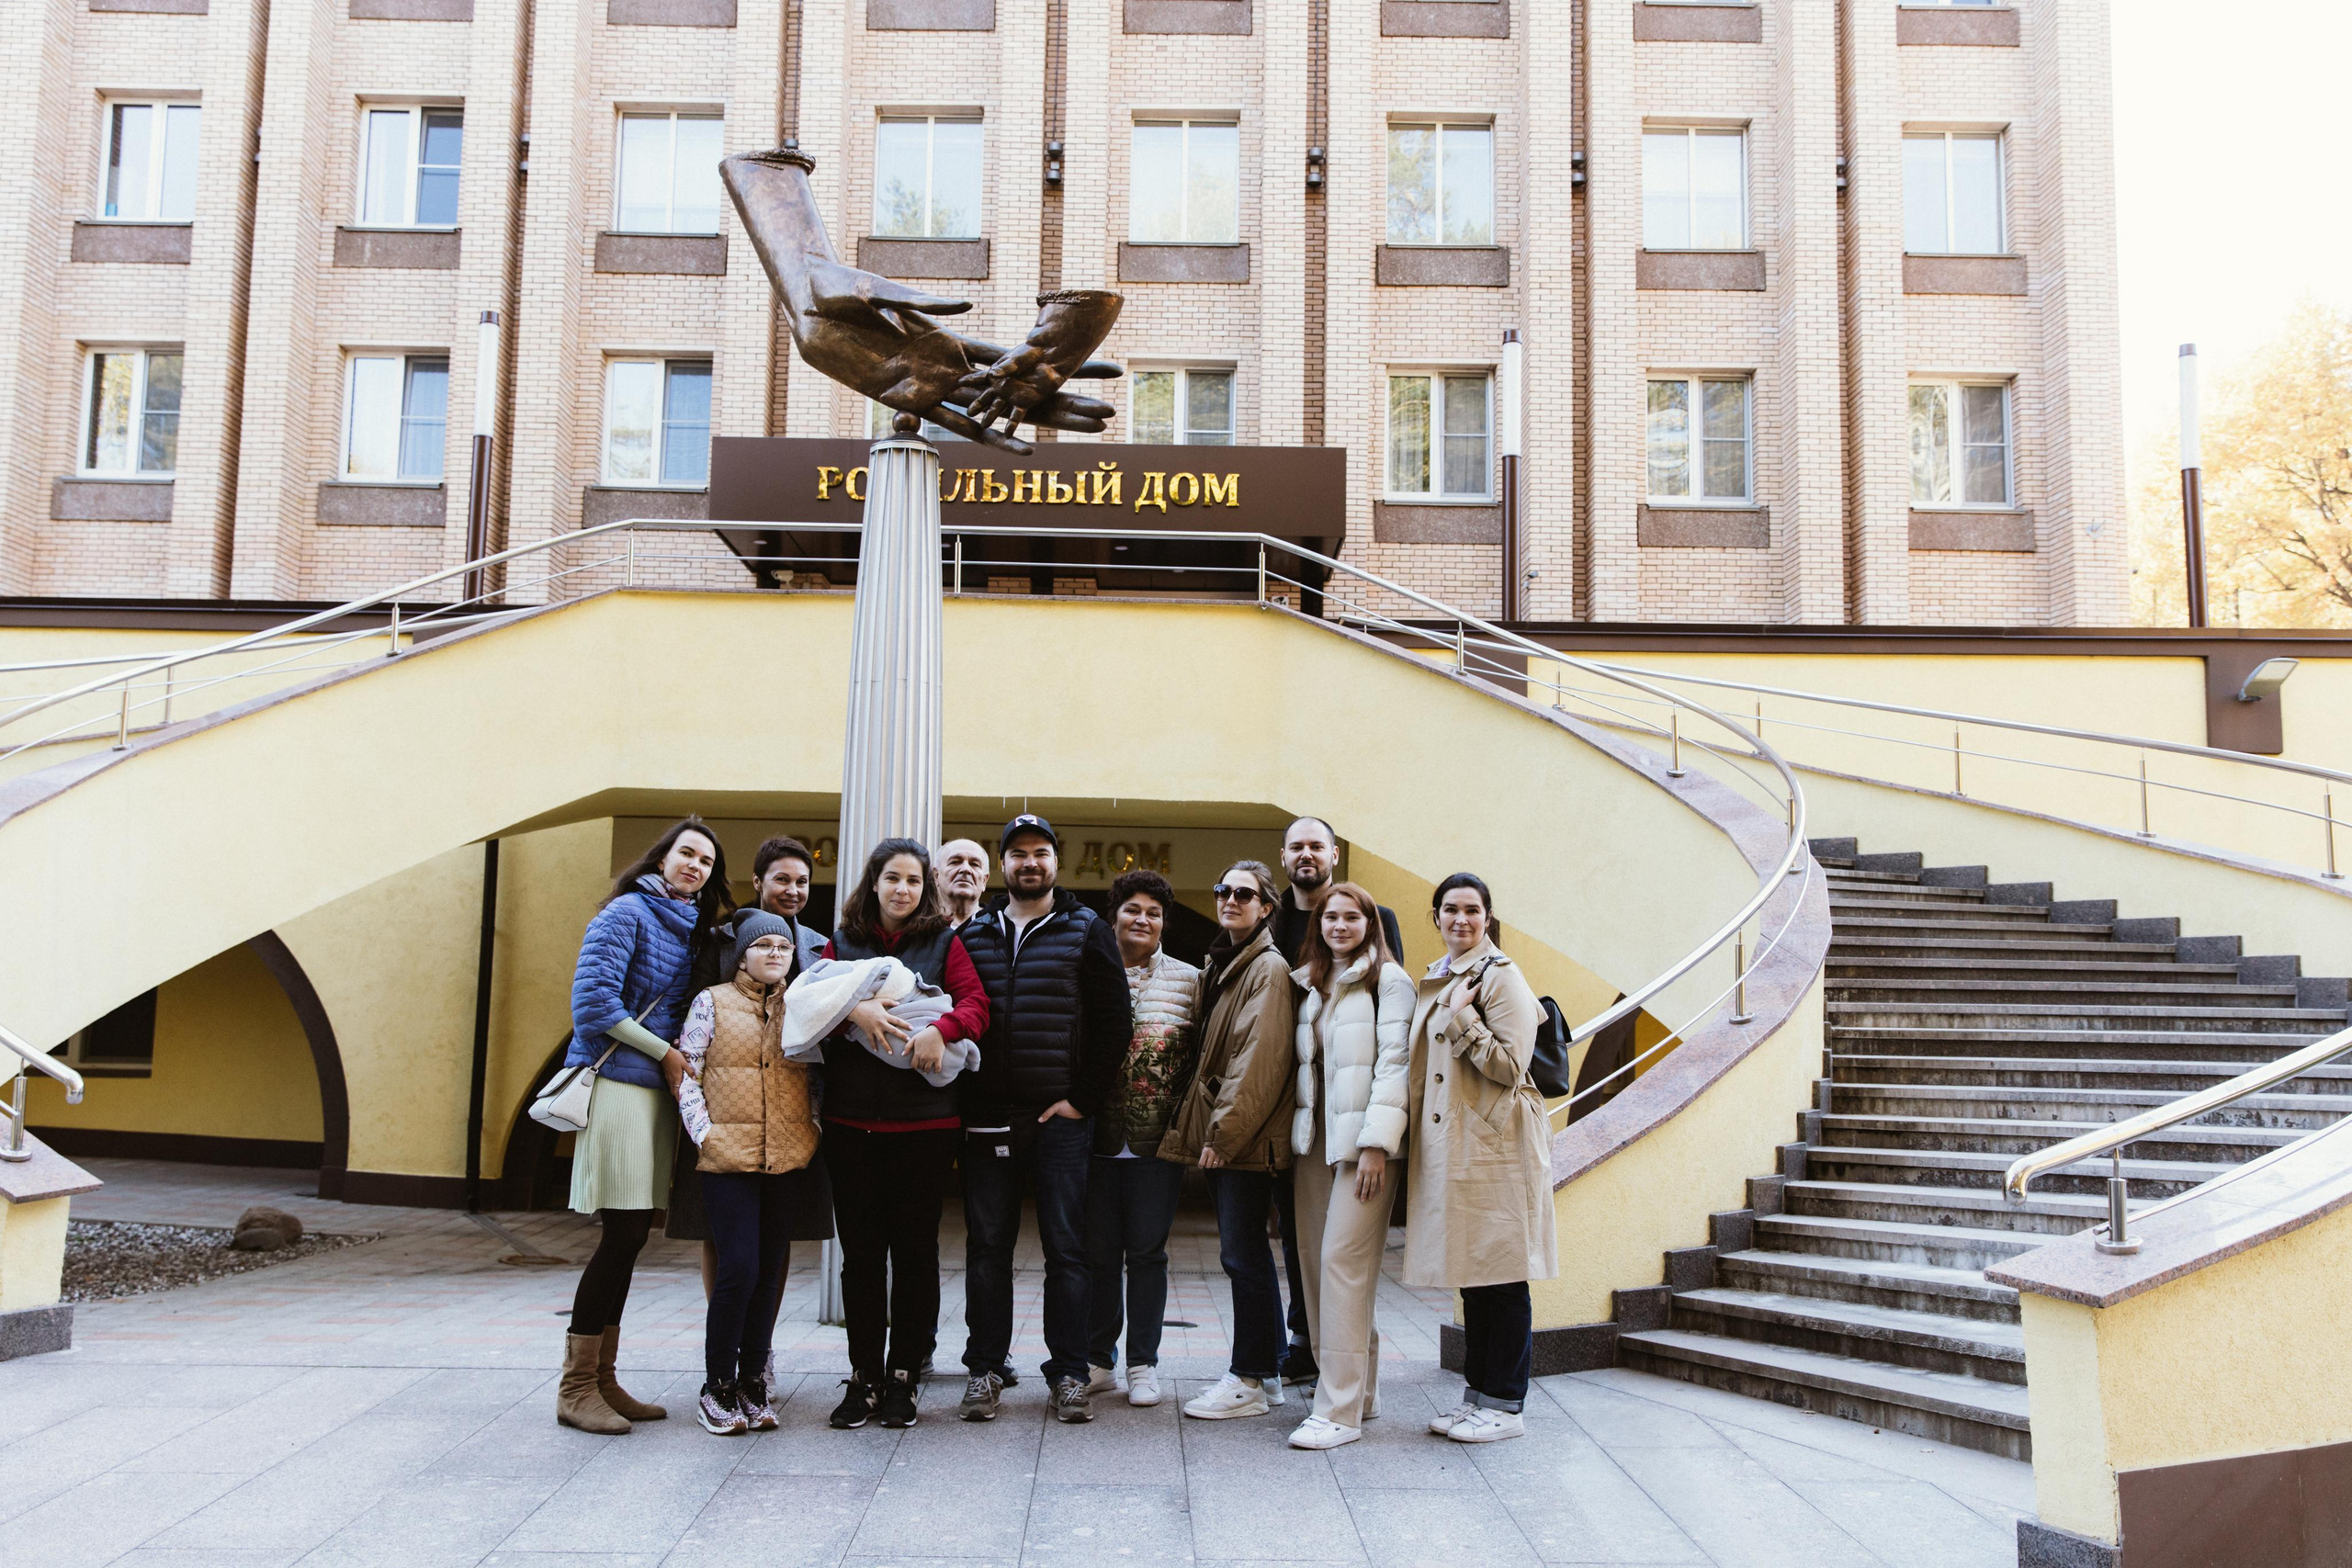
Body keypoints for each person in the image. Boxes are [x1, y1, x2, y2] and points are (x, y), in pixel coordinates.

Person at [557, 818, 732, 1434]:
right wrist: (665, 1053)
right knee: (622, 1233)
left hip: (655, 1093)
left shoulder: (689, 928)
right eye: (687, 853)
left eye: (706, 861)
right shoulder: (626, 912)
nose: (695, 865)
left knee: (631, 1237)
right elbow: (594, 1006)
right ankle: (576, 1386)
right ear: (662, 858)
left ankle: (603, 1378)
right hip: (616, 1085)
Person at [954, 814, 1131, 1425]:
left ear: (1057, 861)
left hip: (1061, 1120)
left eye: (1041, 852)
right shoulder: (974, 933)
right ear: (1002, 864)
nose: (1030, 862)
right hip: (988, 1118)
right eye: (1018, 853)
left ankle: (1071, 1374)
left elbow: (1115, 1022)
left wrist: (1082, 1099)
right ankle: (984, 1369)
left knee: (1067, 1249)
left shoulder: (1087, 930)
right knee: (987, 1248)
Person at [820, 836, 989, 1429]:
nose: (902, 889)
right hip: (850, 1124)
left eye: (914, 880)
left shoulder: (944, 941)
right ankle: (864, 1374)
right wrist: (852, 1010)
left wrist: (943, 1029)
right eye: (892, 877)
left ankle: (904, 1376)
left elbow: (977, 1006)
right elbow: (807, 1003)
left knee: (916, 1253)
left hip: (925, 1124)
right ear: (874, 882)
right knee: (861, 1257)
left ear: (925, 887)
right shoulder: (842, 943)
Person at [1405, 873, 1557, 1445]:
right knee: (1473, 1273)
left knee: (1503, 1275)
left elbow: (1511, 1067)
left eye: (1472, 910)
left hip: (1497, 1146)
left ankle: (1506, 1403)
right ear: (1437, 916)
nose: (1461, 919)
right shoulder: (1444, 972)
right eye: (1450, 909)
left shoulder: (1501, 976)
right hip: (1459, 1144)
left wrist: (1463, 1017)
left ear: (1487, 917)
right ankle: (1478, 1396)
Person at [673, 912, 822, 1436]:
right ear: (741, 955)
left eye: (784, 946)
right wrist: (706, 1134)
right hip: (727, 1157)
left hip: (787, 1154)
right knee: (738, 1269)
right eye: (763, 945)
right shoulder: (711, 1002)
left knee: (769, 1271)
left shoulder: (803, 1005)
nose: (775, 953)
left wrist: (813, 1129)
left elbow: (819, 1077)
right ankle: (717, 1387)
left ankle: (753, 1383)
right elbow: (686, 1072)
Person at [1159, 859, 1298, 1421]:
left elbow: (1256, 1060)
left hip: (1245, 1138)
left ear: (1266, 908)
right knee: (1246, 1255)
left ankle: (1250, 1378)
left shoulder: (1266, 968)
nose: (1230, 899)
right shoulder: (1227, 963)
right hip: (1239, 1135)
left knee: (1243, 1256)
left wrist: (1223, 1134)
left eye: (1245, 893)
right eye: (1223, 890)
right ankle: (1268, 1373)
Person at [1268, 815, 1402, 1386]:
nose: (1307, 854)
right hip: (1299, 1118)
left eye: (1316, 846)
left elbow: (1391, 1048)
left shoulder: (1384, 962)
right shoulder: (1272, 922)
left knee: (1341, 1258)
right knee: (1306, 1247)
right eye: (1296, 846)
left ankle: (1339, 1389)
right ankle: (1330, 1365)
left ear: (1333, 854)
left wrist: (1378, 1141)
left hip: (1358, 1124)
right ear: (1283, 856)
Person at [667, 835, 831, 1302]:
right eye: (782, 880)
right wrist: (701, 1120)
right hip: (724, 1108)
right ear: (758, 881)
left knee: (778, 1236)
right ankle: (723, 1330)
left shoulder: (820, 948)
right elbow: (691, 1009)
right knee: (719, 1231)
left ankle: (761, 1340)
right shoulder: (719, 940)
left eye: (802, 882)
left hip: (791, 1108)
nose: (793, 890)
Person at [1283, 882, 1415, 1450]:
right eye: (1330, 917)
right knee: (1317, 1266)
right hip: (1314, 1142)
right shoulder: (1311, 982)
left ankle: (1337, 1411)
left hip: (1364, 1147)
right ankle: (1360, 1392)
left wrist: (1377, 1145)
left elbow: (1396, 1063)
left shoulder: (1390, 981)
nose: (1339, 926)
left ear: (1370, 924)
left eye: (1351, 917)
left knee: (1343, 1262)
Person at [1081, 869, 1200, 1409]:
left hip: (1159, 1144)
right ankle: (1099, 1361)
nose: (1143, 919)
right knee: (1100, 1254)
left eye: (1154, 912)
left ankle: (1143, 1363)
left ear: (1164, 923)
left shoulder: (1190, 981)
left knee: (1148, 1254)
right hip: (1096, 1139)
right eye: (1133, 909)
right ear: (1114, 916)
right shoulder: (1087, 969)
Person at [935, 838, 989, 927]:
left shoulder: (999, 929)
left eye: (974, 864)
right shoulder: (918, 928)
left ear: (984, 880)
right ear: (936, 876)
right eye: (955, 862)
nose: (965, 869)